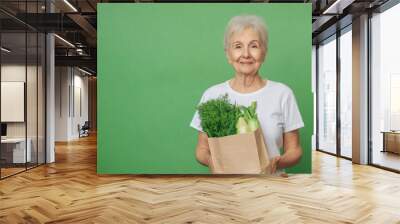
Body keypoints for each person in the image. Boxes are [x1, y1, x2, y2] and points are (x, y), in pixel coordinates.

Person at [190, 15, 304, 175]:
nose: (246, 54)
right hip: (227, 188)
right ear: (228, 54)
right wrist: (211, 161)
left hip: (271, 187)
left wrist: (277, 162)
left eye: (254, 46)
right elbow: (201, 149)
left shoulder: (282, 94)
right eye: (238, 46)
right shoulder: (212, 95)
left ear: (264, 52)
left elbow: (295, 150)